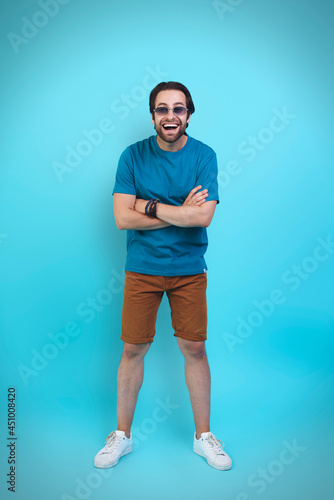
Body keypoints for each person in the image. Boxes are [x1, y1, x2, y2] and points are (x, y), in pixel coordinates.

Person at [94, 81, 232, 471]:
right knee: (133, 350)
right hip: (142, 270)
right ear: (152, 114)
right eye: (162, 109)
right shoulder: (132, 156)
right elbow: (122, 218)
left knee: (195, 350)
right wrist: (176, 211)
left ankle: (203, 436)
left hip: (189, 269)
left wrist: (148, 205)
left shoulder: (205, 156)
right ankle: (122, 436)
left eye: (178, 109)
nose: (170, 116)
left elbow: (202, 217)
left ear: (189, 114)